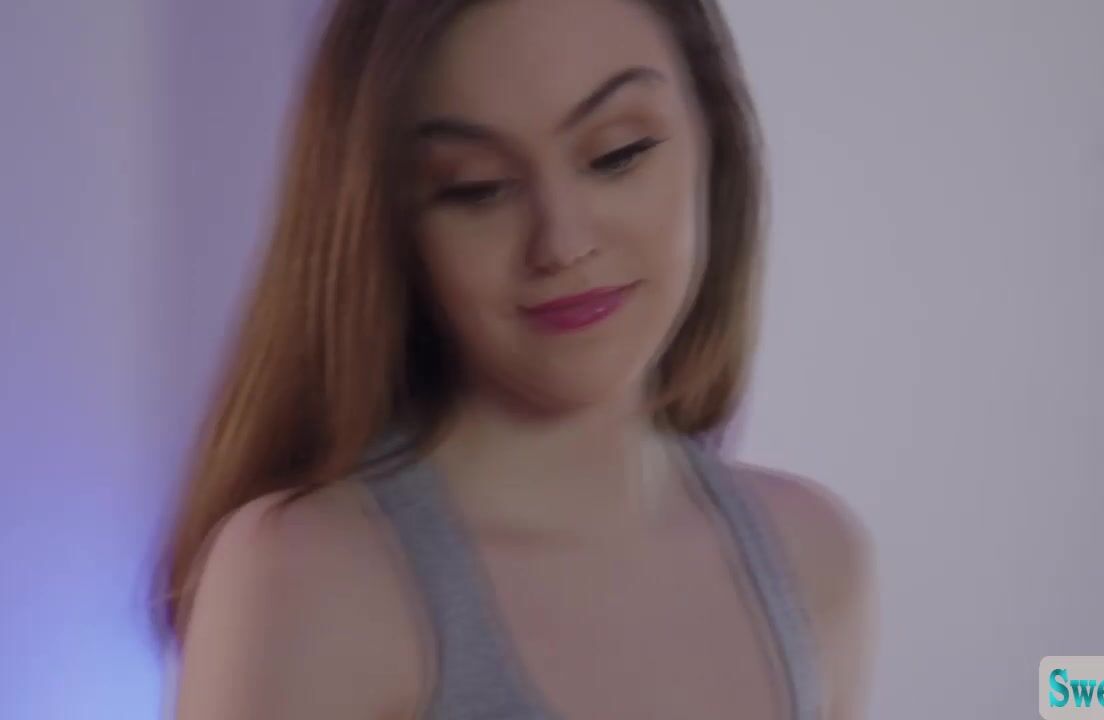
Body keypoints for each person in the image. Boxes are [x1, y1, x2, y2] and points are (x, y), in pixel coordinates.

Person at [157, 0, 877, 717]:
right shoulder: (310, 577)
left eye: (618, 153)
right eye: (476, 188)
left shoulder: (815, 560)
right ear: (387, 224)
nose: (562, 242)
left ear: (711, 141)